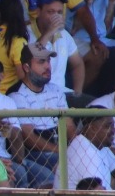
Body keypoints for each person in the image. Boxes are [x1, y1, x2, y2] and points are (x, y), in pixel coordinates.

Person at [4, 45, 68, 188]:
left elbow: (69, 126)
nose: (47, 66)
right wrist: (62, 152)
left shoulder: (55, 90)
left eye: (48, 61)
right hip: (33, 153)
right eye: (41, 62)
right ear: (26, 67)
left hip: (57, 147)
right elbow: (29, 138)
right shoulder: (16, 94)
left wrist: (74, 149)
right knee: (57, 175)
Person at [27, 0, 85, 95]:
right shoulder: (26, 33)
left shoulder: (64, 35)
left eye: (59, 12)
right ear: (38, 12)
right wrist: (49, 32)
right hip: (37, 95)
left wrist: (78, 92)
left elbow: (77, 64)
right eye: (50, 12)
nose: (56, 17)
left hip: (62, 94)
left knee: (95, 108)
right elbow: (31, 61)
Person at [61, 114, 115, 189]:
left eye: (113, 126)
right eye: (107, 126)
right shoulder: (87, 154)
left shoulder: (101, 146)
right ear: (92, 128)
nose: (114, 130)